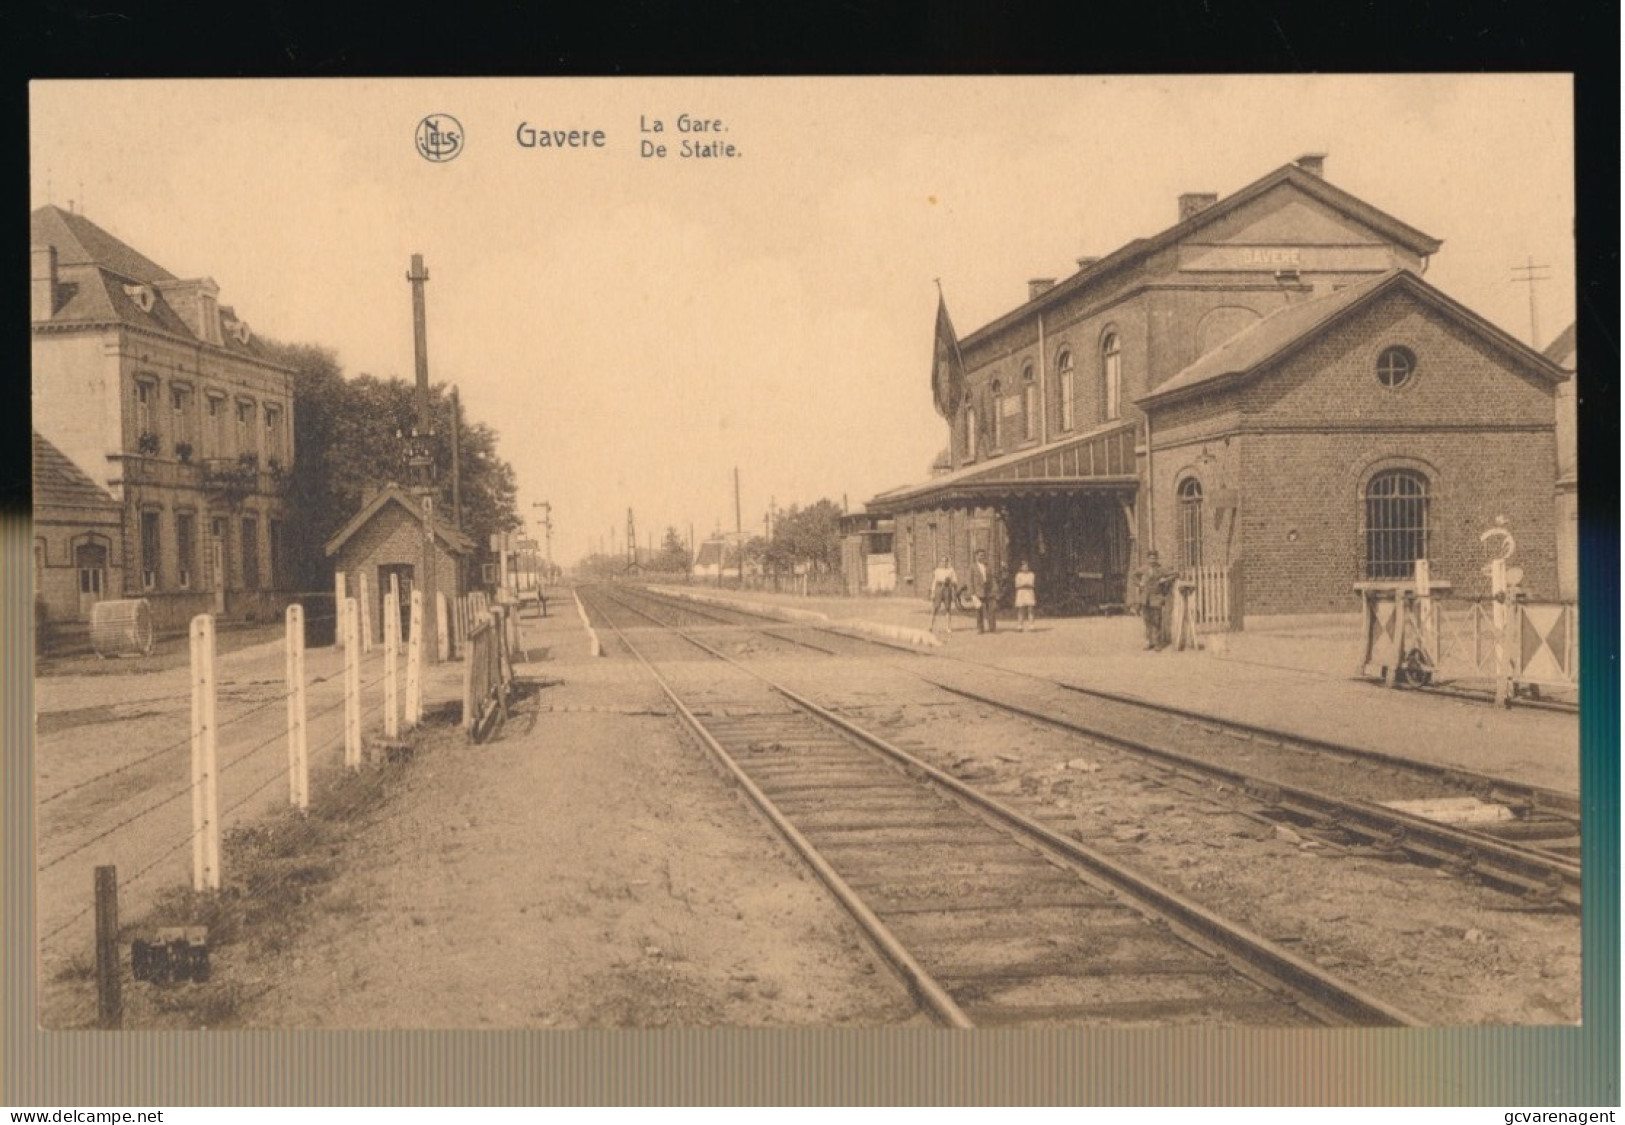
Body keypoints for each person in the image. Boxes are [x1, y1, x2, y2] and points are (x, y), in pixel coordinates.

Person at [1133, 549, 1175, 650]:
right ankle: (1149, 642)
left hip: (1156, 597)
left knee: (1156, 621)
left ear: (1157, 559)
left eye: (1154, 558)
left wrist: (1165, 579)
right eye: (1150, 558)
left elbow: (1175, 574)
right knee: (1147, 621)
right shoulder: (1143, 569)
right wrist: (1140, 584)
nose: (1152, 560)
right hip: (1145, 598)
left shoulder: (1161, 569)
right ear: (1147, 559)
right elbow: (1133, 576)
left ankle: (1157, 643)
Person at [928, 556, 959, 633]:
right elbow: (934, 582)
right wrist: (932, 592)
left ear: (948, 562)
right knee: (935, 608)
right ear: (940, 562)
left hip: (947, 589)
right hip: (938, 589)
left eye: (945, 561)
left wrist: (951, 583)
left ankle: (948, 627)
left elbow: (955, 581)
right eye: (942, 561)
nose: (944, 563)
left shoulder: (951, 570)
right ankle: (930, 626)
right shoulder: (937, 570)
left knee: (948, 608)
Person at [972, 550, 998, 634]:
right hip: (978, 591)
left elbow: (992, 578)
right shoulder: (972, 567)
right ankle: (980, 628)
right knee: (979, 609)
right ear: (976, 556)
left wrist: (995, 588)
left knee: (991, 609)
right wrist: (972, 593)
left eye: (983, 555)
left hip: (989, 590)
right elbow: (969, 580)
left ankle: (992, 627)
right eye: (980, 555)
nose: (981, 557)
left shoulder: (988, 566)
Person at [1013, 559, 1037, 632]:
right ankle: (1020, 626)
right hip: (1021, 593)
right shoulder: (1018, 575)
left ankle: (1031, 625)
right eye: (1023, 566)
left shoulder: (1031, 574)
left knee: (1031, 609)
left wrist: (1024, 584)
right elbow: (1017, 585)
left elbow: (1032, 584)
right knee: (1021, 609)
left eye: (1026, 566)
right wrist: (1024, 584)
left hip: (1029, 592)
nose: (1025, 568)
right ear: (1021, 568)